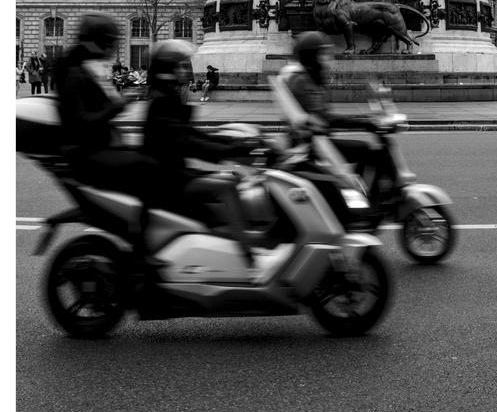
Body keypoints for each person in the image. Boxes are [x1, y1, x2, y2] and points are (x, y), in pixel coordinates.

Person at [54, 13, 160, 260]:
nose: (112, 48)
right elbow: (82, 122)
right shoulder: (74, 75)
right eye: (109, 42)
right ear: (96, 42)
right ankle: (144, 243)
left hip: (95, 147)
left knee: (149, 158)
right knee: (149, 166)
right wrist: (119, 105)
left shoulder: (82, 69)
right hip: (86, 154)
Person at [141, 41, 253, 260]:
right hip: (166, 180)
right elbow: (187, 141)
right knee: (226, 186)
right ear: (167, 70)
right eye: (180, 66)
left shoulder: (169, 98)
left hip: (173, 174)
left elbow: (194, 135)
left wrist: (234, 143)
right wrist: (229, 151)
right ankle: (246, 253)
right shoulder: (163, 102)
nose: (185, 70)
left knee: (235, 180)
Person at [278, 31, 397, 202]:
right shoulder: (302, 82)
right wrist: (366, 123)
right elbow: (325, 119)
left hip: (316, 141)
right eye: (324, 54)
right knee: (366, 151)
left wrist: (368, 119)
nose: (329, 59)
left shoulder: (311, 78)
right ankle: (360, 198)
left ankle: (358, 195)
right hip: (309, 146)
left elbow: (325, 117)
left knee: (366, 150)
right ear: (313, 56)